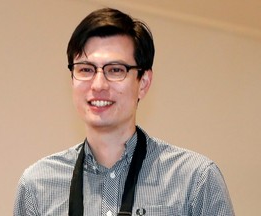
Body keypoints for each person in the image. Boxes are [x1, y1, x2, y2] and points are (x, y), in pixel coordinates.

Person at [14, 7, 235, 216]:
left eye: (116, 70)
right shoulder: (37, 186)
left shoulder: (195, 180)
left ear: (144, 82)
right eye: (85, 69)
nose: (98, 84)